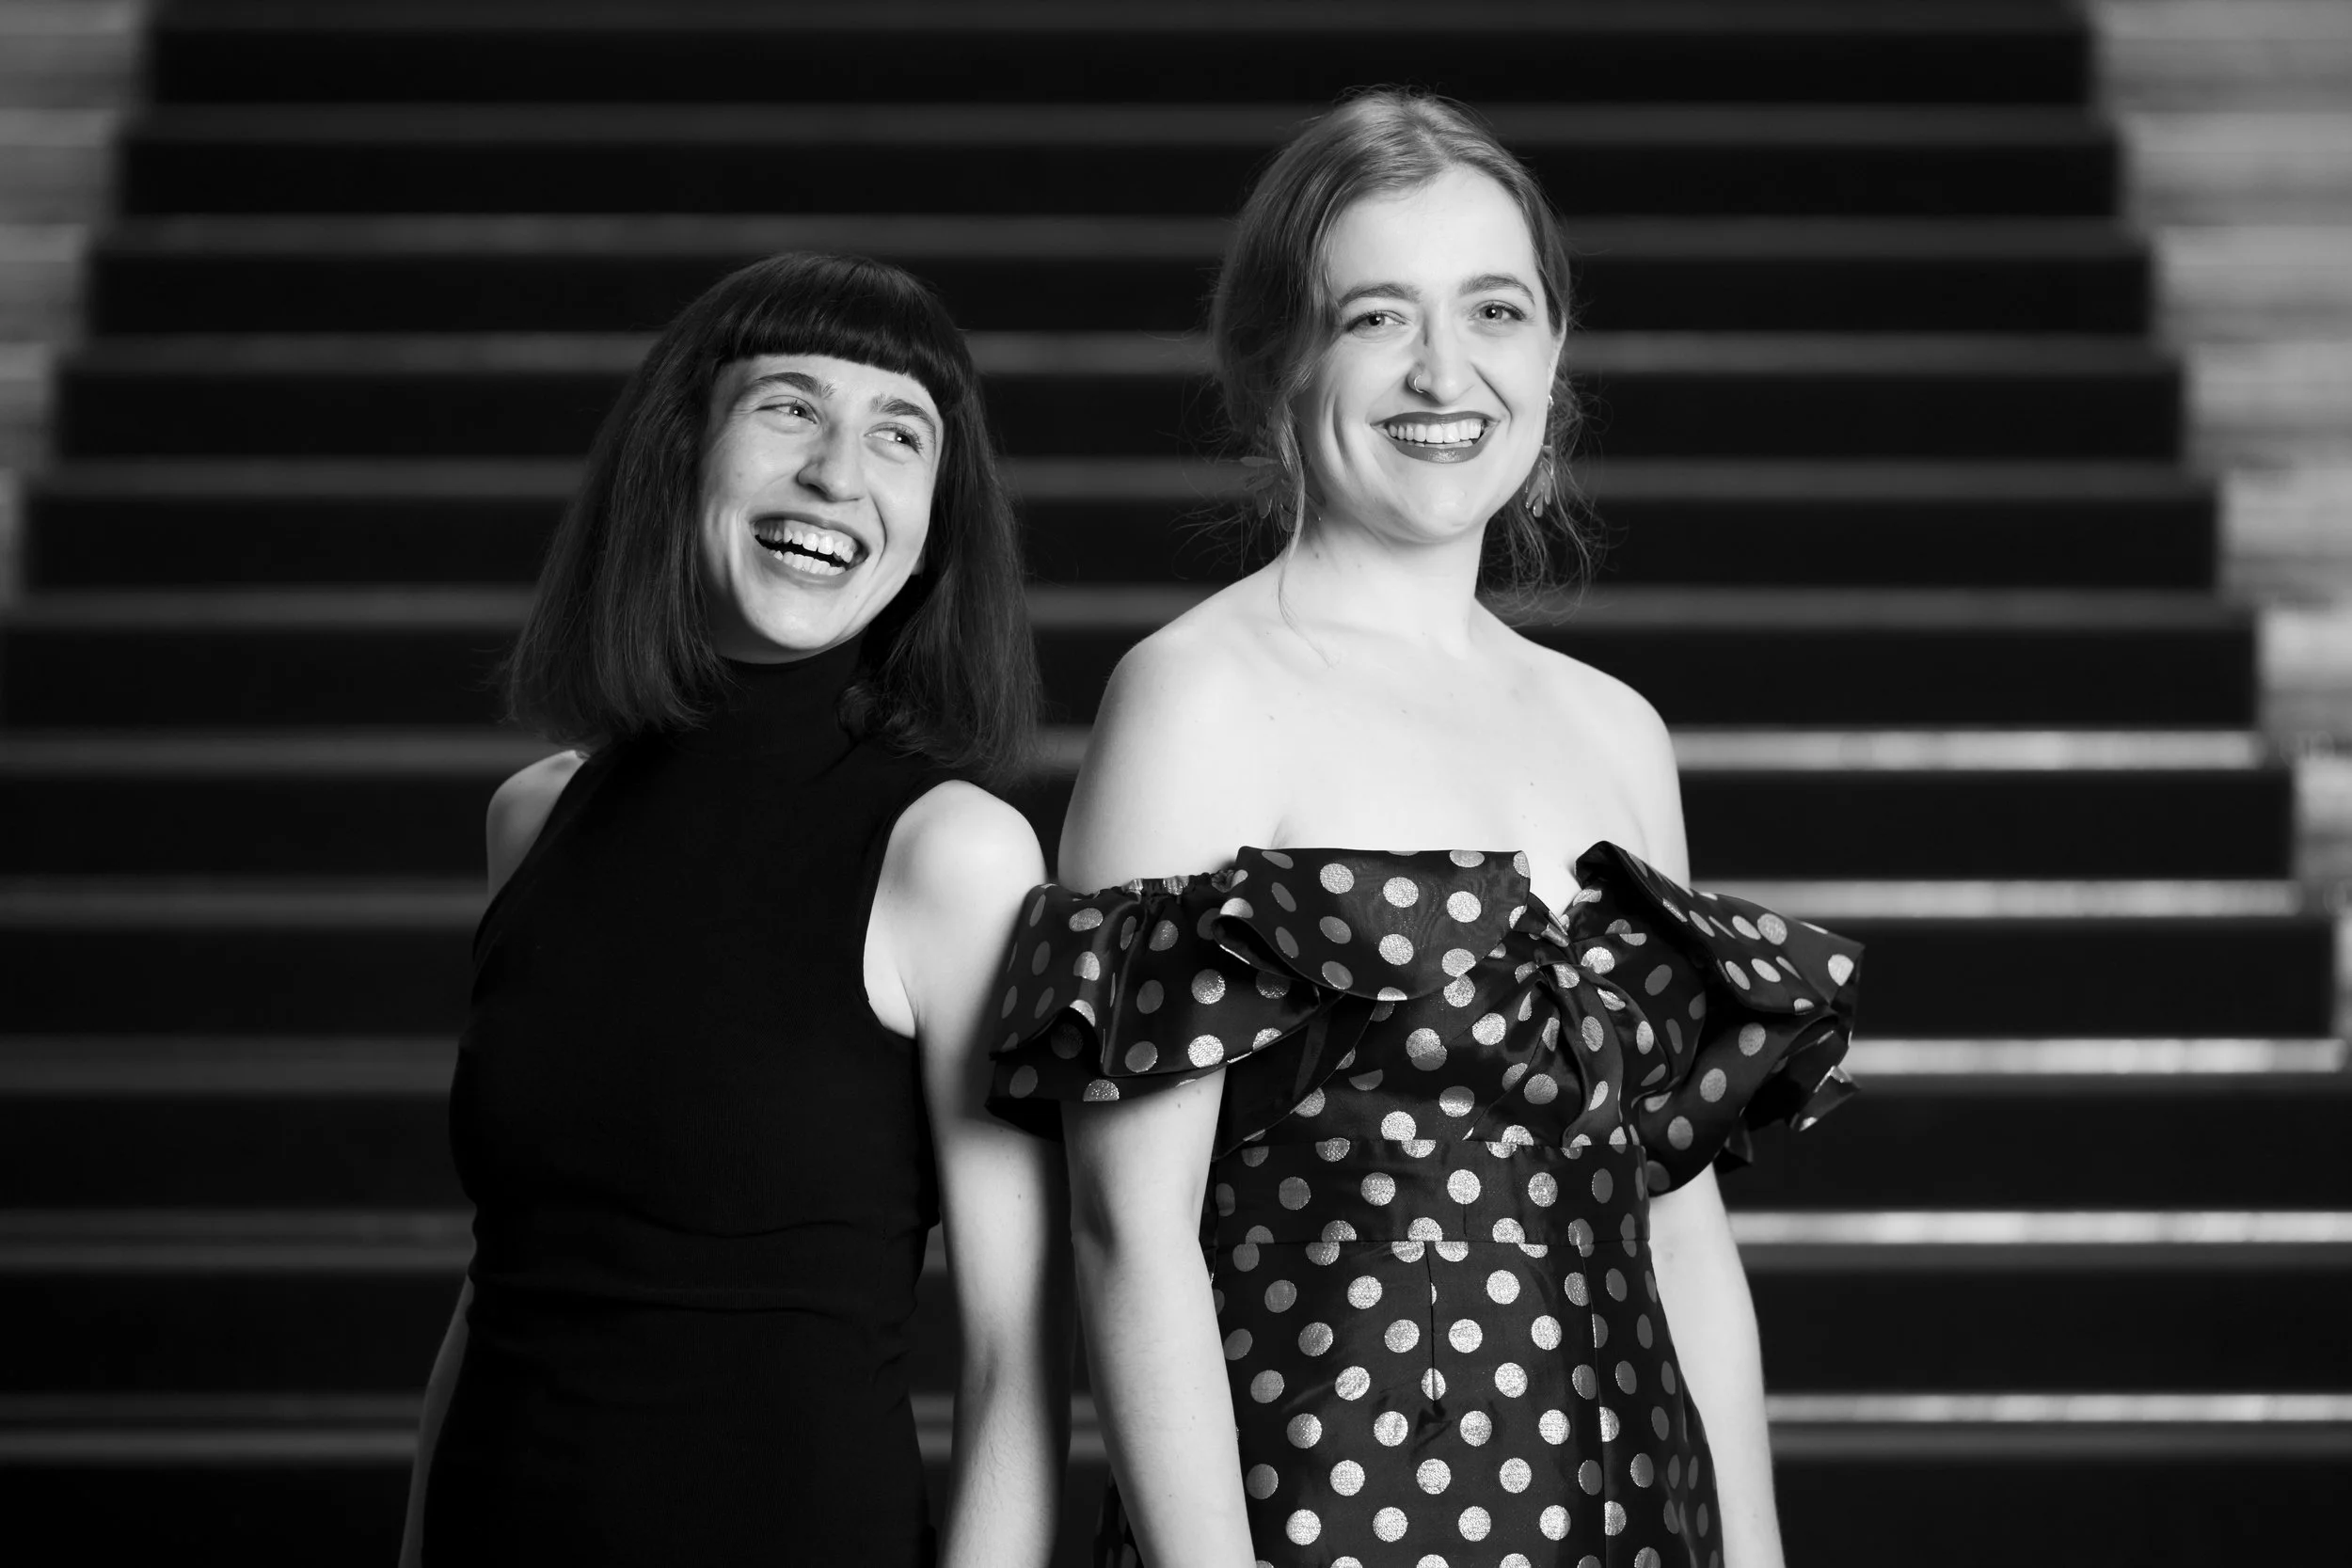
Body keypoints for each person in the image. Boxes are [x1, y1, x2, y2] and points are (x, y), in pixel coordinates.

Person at [986, 93, 1859, 1568]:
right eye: (1377, 315)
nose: (1445, 372)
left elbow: (1684, 1241)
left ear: (1552, 355)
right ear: (1281, 358)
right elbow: (1127, 1235)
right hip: (1319, 1525)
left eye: (1494, 311)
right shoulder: (1197, 698)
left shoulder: (1618, 731)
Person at [399, 252, 1069, 1567]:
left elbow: (1016, 1355)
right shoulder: (533, 816)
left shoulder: (954, 853)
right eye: (789, 407)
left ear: (935, 524)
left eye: (900, 434)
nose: (838, 473)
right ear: (681, 448)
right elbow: (500, 1286)